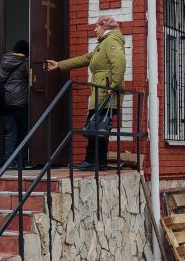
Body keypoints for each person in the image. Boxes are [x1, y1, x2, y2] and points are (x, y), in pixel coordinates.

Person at [46, 15, 127, 170]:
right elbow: (85, 59)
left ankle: (94, 162)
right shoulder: (102, 44)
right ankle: (96, 162)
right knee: (96, 127)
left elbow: (120, 62)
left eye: (96, 27)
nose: (95, 30)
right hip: (102, 90)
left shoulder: (111, 41)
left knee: (97, 127)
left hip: (106, 91)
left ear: (105, 26)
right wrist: (59, 65)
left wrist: (114, 86)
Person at [0, 40, 32, 165]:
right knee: (25, 130)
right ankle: (22, 160)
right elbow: (32, 79)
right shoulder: (26, 63)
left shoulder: (5, 61)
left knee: (10, 131)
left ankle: (8, 161)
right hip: (20, 102)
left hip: (7, 101)